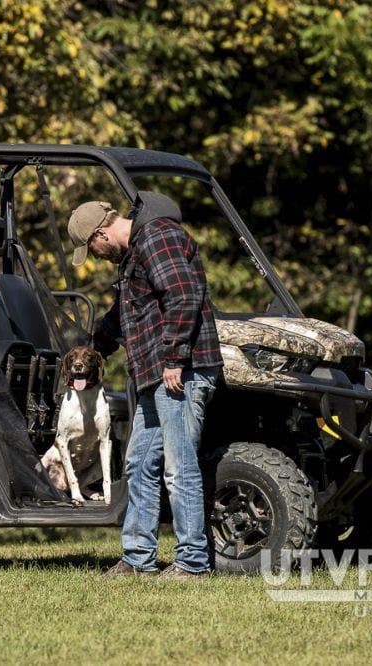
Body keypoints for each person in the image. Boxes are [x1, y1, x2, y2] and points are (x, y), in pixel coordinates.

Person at [67, 193, 224, 578]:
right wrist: (91, 348)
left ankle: (192, 562)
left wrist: (174, 357)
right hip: (157, 375)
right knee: (139, 464)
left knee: (179, 467)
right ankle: (138, 558)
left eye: (93, 250)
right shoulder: (135, 253)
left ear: (102, 234)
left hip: (180, 372)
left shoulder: (157, 236)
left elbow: (183, 294)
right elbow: (125, 314)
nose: (98, 257)